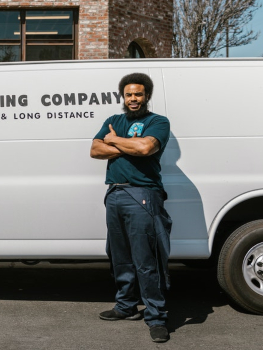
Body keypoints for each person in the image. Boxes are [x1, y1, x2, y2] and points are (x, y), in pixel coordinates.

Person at [90, 73, 173, 343]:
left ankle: (156, 317)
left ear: (146, 95)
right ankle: (126, 306)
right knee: (119, 256)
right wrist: (128, 146)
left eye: (138, 94)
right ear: (123, 96)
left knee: (146, 259)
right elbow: (94, 149)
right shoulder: (114, 121)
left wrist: (113, 141)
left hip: (143, 194)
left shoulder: (157, 122)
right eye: (128, 94)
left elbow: (146, 148)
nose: (133, 99)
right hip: (115, 193)